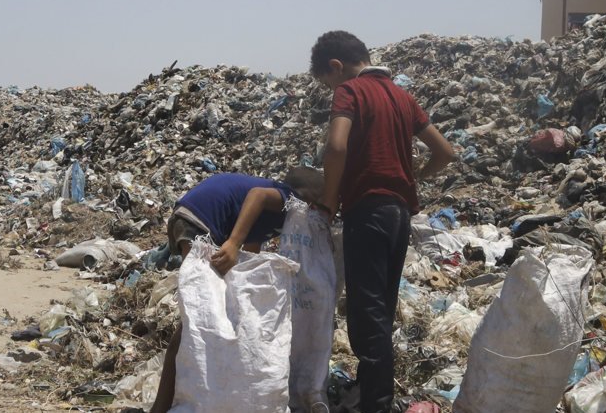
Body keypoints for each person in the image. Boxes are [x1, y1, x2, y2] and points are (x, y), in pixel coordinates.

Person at [310, 30, 455, 413]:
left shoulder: (351, 92)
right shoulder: (402, 96)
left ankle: (377, 405)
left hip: (367, 212)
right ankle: (375, 392)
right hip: (399, 214)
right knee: (382, 310)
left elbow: (336, 147)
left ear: (337, 67)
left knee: (366, 315)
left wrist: (327, 201)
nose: (331, 88)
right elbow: (444, 152)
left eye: (328, 80)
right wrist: (411, 177)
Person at [149, 168, 325, 413]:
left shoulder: (269, 219)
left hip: (194, 218)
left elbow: (251, 253)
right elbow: (257, 195)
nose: (316, 214)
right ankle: (163, 405)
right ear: (307, 199)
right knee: (197, 320)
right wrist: (233, 243)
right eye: (318, 206)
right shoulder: (287, 199)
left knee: (202, 319)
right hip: (200, 222)